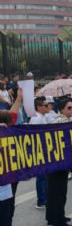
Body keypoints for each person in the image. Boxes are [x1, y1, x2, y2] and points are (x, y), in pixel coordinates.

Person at [46, 98, 72, 226]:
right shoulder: (60, 121)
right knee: (57, 192)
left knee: (59, 191)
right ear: (62, 109)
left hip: (63, 162)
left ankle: (56, 216)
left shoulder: (69, 120)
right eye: (69, 107)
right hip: (57, 162)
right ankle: (57, 220)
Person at [0, 88, 22, 226]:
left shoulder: (9, 129)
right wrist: (19, 98)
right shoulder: (11, 130)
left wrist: (19, 98)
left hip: (9, 181)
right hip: (8, 178)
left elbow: (12, 113)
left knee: (7, 210)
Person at [30, 97, 51, 209]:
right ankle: (41, 201)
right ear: (39, 107)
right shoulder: (37, 118)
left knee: (44, 176)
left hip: (43, 149)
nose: (48, 107)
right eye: (45, 105)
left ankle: (44, 198)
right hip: (39, 150)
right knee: (41, 176)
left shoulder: (42, 117)